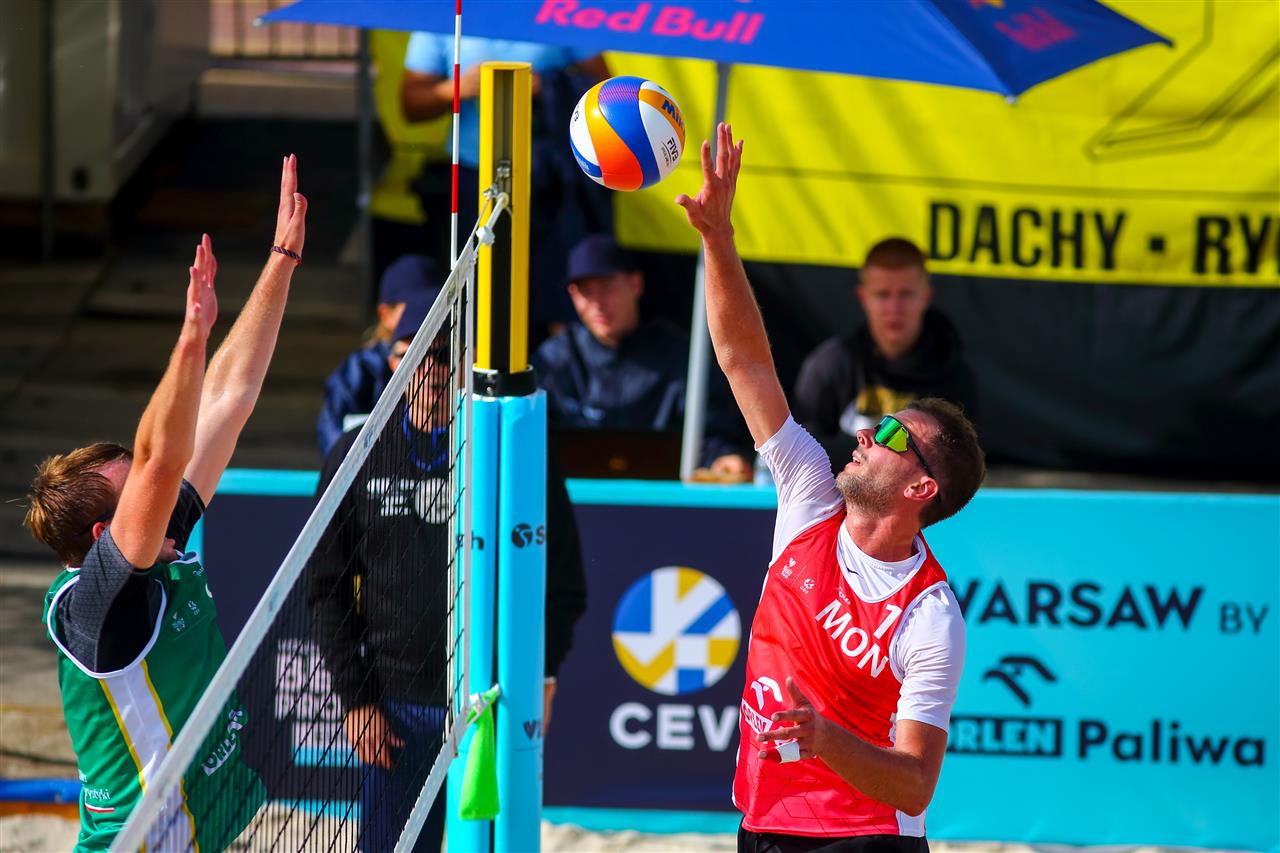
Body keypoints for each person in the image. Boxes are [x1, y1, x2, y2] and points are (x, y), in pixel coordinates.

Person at [677, 124, 985, 851]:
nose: (869, 434)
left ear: (922, 489)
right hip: (763, 820)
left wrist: (825, 739)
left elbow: (915, 783)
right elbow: (744, 360)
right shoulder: (811, 495)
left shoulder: (929, 615)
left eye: (895, 436)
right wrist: (719, 239)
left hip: (864, 837)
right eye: (879, 423)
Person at [24, 156, 308, 851]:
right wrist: (190, 338)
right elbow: (159, 459)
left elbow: (228, 399)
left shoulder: (159, 547)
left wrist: (282, 259)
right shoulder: (97, 606)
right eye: (137, 492)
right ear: (104, 534)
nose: (164, 484)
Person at [307, 296, 588, 853]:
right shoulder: (357, 453)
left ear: (466, 362)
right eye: (414, 355)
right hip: (396, 705)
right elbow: (324, 590)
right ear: (392, 361)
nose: (430, 370)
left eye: (443, 355)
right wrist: (356, 700)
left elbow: (563, 581)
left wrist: (544, 674)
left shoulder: (511, 450)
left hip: (492, 699)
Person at [400, 34, 610, 338]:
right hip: (473, 180)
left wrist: (548, 86)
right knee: (475, 299)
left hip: (550, 183)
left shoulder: (557, 13)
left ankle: (558, 364)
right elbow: (410, 105)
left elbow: (605, 90)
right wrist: (457, 89)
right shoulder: (443, 18)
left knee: (556, 297)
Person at [531, 234, 754, 479]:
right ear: (572, 295)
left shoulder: (682, 356)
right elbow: (533, 436)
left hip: (663, 496)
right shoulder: (553, 361)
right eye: (586, 292)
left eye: (607, 288)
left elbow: (711, 432)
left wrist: (724, 458)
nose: (597, 304)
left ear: (635, 284)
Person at [792, 237, 978, 472]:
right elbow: (802, 451)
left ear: (926, 297)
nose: (894, 308)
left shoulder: (954, 373)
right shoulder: (829, 364)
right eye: (882, 295)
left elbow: (959, 464)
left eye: (906, 294)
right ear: (863, 297)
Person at [316, 254, 443, 455]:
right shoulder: (360, 371)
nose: (425, 314)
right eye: (413, 306)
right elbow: (332, 440)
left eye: (435, 306)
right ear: (386, 315)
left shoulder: (454, 364)